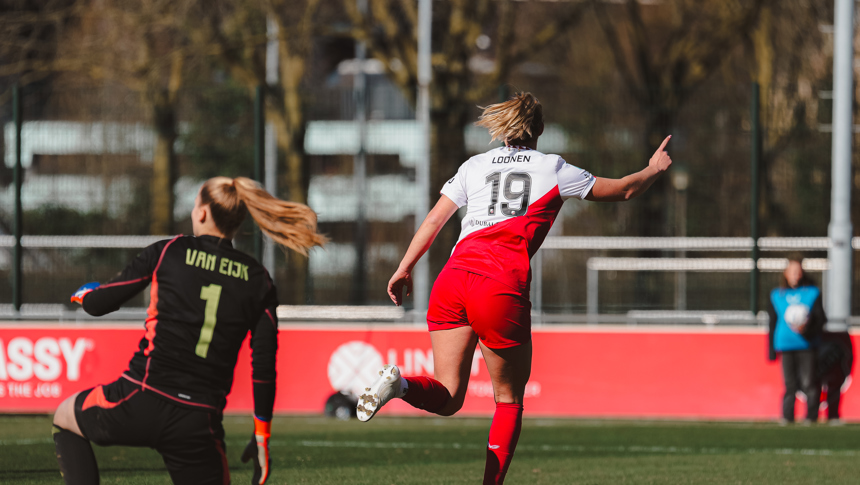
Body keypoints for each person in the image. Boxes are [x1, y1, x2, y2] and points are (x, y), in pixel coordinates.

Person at [356, 92, 672, 484]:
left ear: (504, 129)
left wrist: (404, 268)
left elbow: (435, 221)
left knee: (449, 395)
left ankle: (400, 384)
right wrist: (654, 169)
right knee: (508, 400)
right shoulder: (553, 168)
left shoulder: (473, 165)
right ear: (539, 129)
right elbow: (623, 189)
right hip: (499, 283)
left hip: (452, 279)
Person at [52, 177, 326, 485]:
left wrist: (84, 294)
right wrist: (261, 437)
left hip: (139, 398)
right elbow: (263, 366)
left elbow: (99, 303)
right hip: (198, 422)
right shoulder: (258, 279)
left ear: (203, 213)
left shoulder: (169, 250)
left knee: (64, 417)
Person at [767, 258, 825, 424]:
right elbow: (772, 322)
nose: (795, 275)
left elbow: (821, 319)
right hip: (785, 345)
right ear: (785, 274)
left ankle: (811, 417)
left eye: (798, 271)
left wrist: (807, 328)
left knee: (809, 382)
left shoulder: (812, 293)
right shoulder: (777, 295)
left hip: (807, 345)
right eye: (792, 271)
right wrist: (771, 349)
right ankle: (787, 416)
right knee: (789, 384)